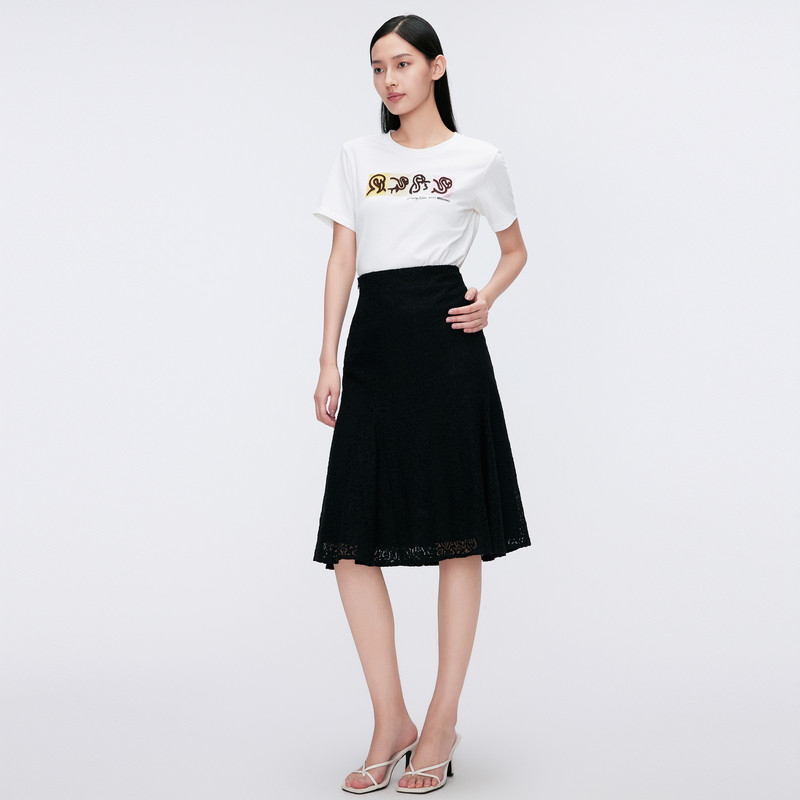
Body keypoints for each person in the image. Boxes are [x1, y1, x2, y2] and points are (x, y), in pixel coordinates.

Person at [311, 14, 532, 794]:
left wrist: (487, 297)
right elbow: (342, 257)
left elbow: (514, 249)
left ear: (436, 67)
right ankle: (391, 721)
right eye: (377, 68)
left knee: (457, 539)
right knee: (349, 546)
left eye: (402, 64)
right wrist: (328, 357)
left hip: (445, 350)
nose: (389, 80)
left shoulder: (478, 159)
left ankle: (441, 721)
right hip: (374, 348)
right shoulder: (357, 156)